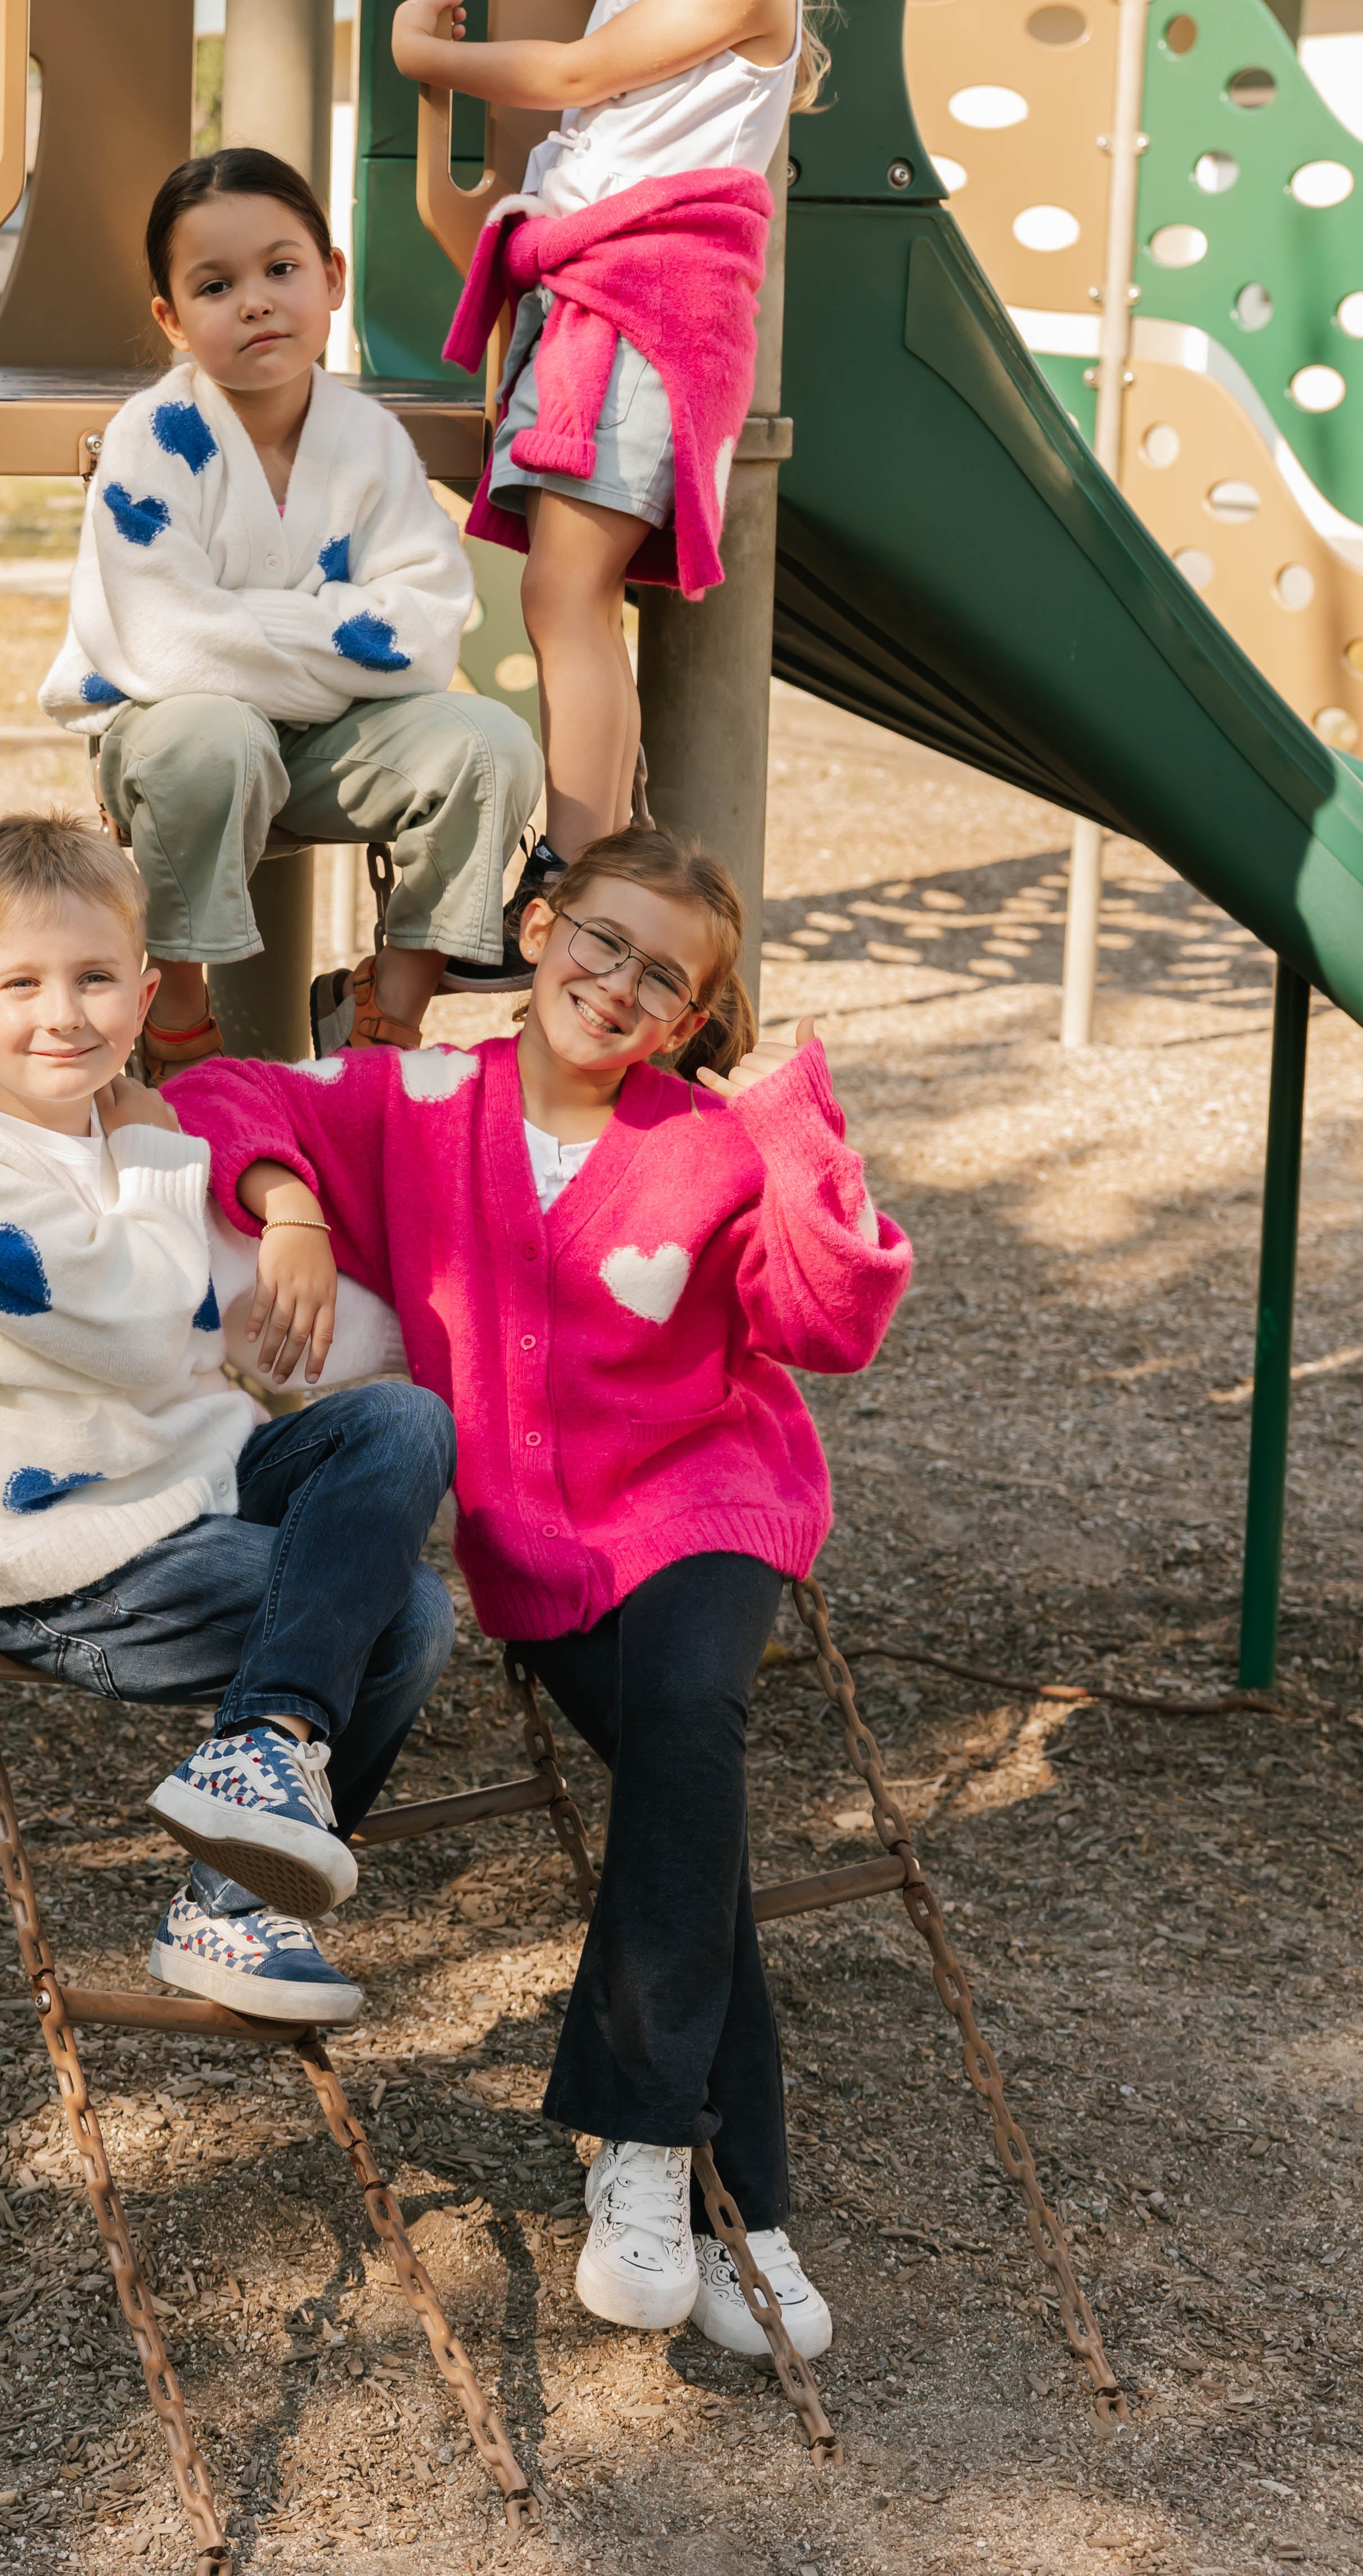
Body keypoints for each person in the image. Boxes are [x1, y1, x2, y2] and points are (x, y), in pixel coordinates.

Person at [172, 830, 911, 2352]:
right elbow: (215, 1096)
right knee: (678, 1812)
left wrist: (789, 1125)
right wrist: (296, 1210)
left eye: (667, 979)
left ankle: (649, 2149)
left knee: (694, 1718)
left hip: (711, 1499)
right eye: (601, 940)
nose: (618, 984)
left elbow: (830, 1318)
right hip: (545, 1556)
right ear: (538, 924)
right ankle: (744, 2206)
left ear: (695, 1017)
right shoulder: (413, 1099)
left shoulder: (706, 1141)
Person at [0, 811, 458, 2025]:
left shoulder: (128, 1136)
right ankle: (237, 1907)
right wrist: (153, 1150)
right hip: (67, 1562)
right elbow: (139, 1327)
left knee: (398, 1424)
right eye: (19, 984)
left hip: (199, 1484)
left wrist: (297, 1223)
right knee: (399, 1615)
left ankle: (252, 1787)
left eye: (92, 981)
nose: (61, 1016)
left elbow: (248, 1325)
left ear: (143, 998)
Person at [392, 0, 836, 864]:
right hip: (594, 302)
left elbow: (579, 68)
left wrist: (428, 60)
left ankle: (581, 867)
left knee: (564, 596)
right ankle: (599, 849)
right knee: (557, 599)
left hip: (646, 307)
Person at [39, 145, 543, 1077]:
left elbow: (425, 631)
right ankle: (180, 1016)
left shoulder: (368, 444)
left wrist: (247, 619)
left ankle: (386, 1006)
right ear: (174, 320)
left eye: (281, 269)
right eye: (216, 285)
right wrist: (333, 622)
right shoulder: (152, 442)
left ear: (332, 278)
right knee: (216, 735)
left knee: (490, 742)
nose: (257, 301)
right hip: (172, 744)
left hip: (327, 749)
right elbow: (164, 645)